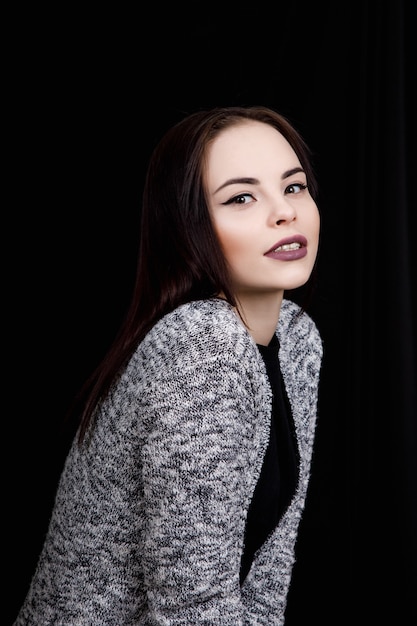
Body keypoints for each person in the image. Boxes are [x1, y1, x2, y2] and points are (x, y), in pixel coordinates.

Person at [15, 105, 323, 625]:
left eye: (293, 187)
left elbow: (270, 567)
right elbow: (190, 607)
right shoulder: (198, 345)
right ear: (189, 229)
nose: (284, 212)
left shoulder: (298, 340)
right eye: (242, 197)